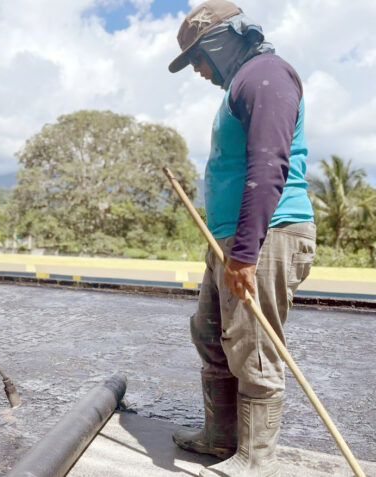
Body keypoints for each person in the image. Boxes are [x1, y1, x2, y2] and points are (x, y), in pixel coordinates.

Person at [168, 1, 316, 476]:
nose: (196, 70)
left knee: (252, 344)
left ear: (219, 42)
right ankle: (220, 437)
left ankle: (256, 459)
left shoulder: (266, 76)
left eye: (197, 58)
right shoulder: (241, 83)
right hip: (234, 239)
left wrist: (246, 253)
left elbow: (269, 164)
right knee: (211, 333)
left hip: (268, 235)